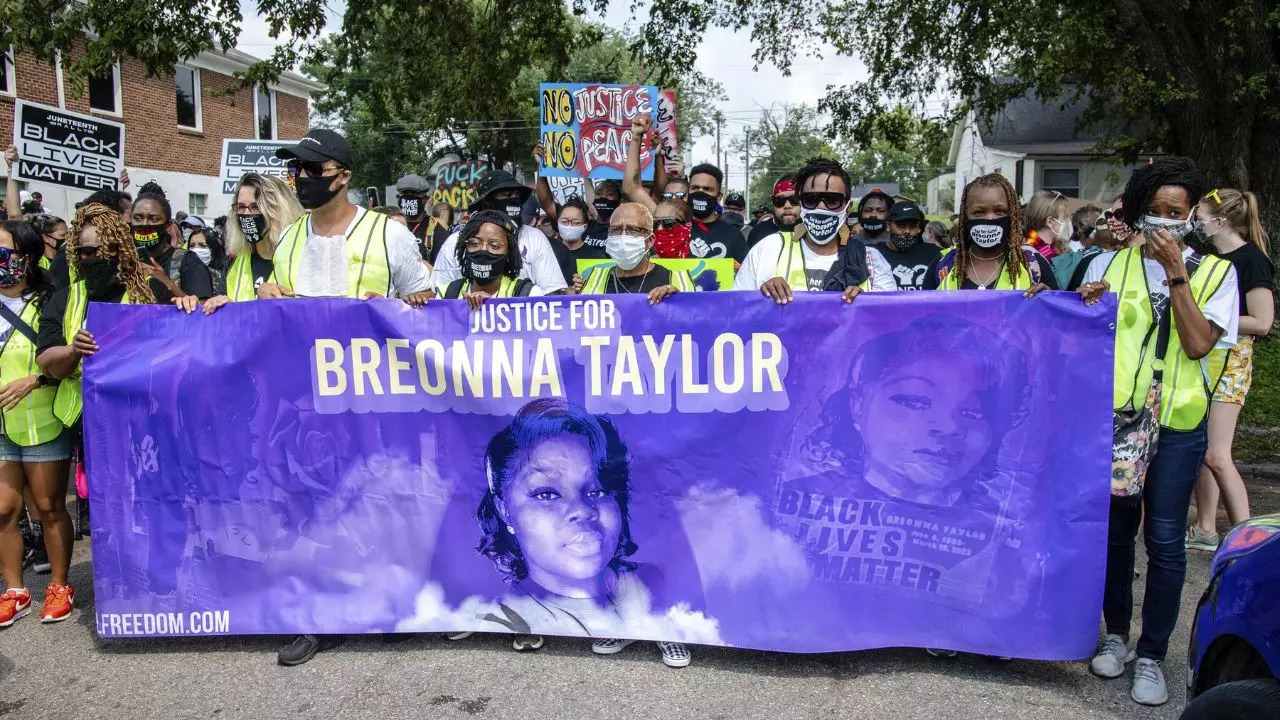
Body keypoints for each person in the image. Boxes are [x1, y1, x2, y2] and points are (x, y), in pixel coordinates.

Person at [1077, 157, 1239, 707]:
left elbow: (1198, 344)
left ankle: (1152, 654)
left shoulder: (1218, 273)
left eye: (1177, 212)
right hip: (1120, 420)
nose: (1166, 221)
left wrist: (1176, 274)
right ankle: (1116, 636)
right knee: (1117, 533)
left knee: (1165, 539)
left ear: (1193, 214)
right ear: (1140, 211)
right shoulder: (1111, 264)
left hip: (1178, 423)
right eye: (1156, 211)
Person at [471, 398, 716, 666]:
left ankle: (628, 628)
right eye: (546, 494)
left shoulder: (650, 581)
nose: (583, 510)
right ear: (505, 510)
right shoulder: (504, 616)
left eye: (597, 491)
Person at [255, 129, 434, 314]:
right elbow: (275, 297)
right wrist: (265, 292)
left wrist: (392, 307)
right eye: (296, 168)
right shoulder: (287, 236)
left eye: (314, 169)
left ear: (344, 176)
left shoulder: (389, 233)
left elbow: (426, 303)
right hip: (302, 343)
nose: (302, 176)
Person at [1186, 189, 1274, 551]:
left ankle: (1253, 544)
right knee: (1206, 449)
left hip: (1232, 362)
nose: (1195, 223)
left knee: (1217, 455)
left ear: (1219, 221)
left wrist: (1213, 318)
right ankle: (1206, 528)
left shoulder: (1251, 260)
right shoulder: (1212, 259)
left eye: (1200, 216)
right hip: (1208, 360)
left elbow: (1263, 321)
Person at [0, 220, 73, 627]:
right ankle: (13, 590)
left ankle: (59, 585)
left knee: (48, 507)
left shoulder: (51, 301)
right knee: (4, 511)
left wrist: (36, 379)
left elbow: (66, 362)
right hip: (2, 427)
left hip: (43, 422)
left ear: (25, 258)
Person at [738, 157, 893, 302]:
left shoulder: (872, 261)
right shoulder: (767, 250)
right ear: (801, 203)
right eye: (811, 199)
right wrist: (762, 296)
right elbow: (736, 312)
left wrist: (865, 305)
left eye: (832, 200)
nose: (821, 207)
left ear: (847, 208)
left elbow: (890, 319)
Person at [433, 170, 567, 294]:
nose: (513, 199)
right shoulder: (455, 243)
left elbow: (552, 293)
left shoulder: (534, 238)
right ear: (487, 203)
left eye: (517, 196)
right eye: (507, 195)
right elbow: (440, 295)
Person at [922, 174, 1056, 292]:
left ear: (1012, 215)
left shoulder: (1032, 263)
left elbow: (1059, 316)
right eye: (979, 212)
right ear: (965, 217)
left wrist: (1049, 297)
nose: (990, 219)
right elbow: (922, 314)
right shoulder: (943, 264)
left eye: (1000, 211)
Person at [195, 174, 305, 312]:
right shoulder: (235, 262)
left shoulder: (304, 256)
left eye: (255, 207)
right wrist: (224, 307)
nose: (247, 214)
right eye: (241, 207)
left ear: (278, 209)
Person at [579, 202, 692, 302]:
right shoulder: (593, 279)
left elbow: (695, 319)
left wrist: (678, 299)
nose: (623, 236)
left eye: (632, 230)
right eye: (616, 229)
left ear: (650, 240)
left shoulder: (677, 279)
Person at [439, 210, 545, 307]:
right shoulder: (446, 294)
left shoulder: (529, 294)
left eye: (494, 246)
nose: (483, 250)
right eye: (475, 243)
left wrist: (490, 308)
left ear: (508, 253)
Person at [129, 184, 214, 306]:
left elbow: (203, 313)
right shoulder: (125, 261)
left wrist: (167, 284)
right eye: (138, 218)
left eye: (153, 219)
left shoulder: (187, 261)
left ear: (168, 226)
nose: (145, 224)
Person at [878, 200, 941, 291]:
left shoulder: (935, 254)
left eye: (912, 226)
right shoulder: (874, 254)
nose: (907, 231)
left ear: (919, 228)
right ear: (888, 226)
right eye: (901, 226)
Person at [549, 197, 608, 287]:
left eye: (576, 222)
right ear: (557, 222)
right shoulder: (548, 252)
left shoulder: (597, 257)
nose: (569, 226)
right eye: (564, 221)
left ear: (585, 226)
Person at [746, 175, 799, 249]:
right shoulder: (758, 232)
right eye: (780, 200)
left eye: (795, 199)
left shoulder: (814, 233)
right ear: (773, 202)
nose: (787, 206)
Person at [1023, 190, 1072, 261]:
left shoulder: (1054, 249)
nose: (1068, 221)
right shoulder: (1030, 253)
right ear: (1050, 222)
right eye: (1064, 217)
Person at [394, 173, 434, 254]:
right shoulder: (390, 226)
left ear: (426, 199)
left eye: (414, 193)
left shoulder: (435, 228)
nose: (409, 197)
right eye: (405, 193)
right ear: (398, 198)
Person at [187, 223, 227, 295]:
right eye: (192, 245)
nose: (196, 249)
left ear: (213, 248)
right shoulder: (183, 274)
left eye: (202, 245)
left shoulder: (225, 276)